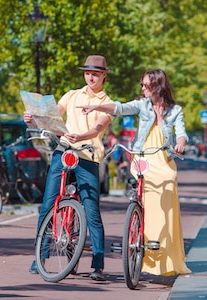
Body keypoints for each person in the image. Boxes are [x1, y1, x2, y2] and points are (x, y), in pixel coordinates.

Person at [78, 69, 191, 276]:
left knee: (168, 183)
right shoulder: (142, 105)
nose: (142, 89)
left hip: (163, 158)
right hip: (141, 156)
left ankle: (162, 256)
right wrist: (96, 105)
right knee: (141, 197)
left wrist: (181, 144)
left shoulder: (175, 110)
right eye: (142, 85)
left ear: (158, 86)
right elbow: (120, 108)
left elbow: (181, 133)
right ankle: (136, 227)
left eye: (146, 85)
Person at [24, 55, 113, 281]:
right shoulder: (72, 95)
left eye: (95, 73)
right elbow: (53, 116)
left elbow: (98, 127)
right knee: (48, 204)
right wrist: (33, 119)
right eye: (87, 72)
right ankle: (40, 257)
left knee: (91, 210)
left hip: (87, 155)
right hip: (63, 150)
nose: (90, 77)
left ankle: (98, 265)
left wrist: (81, 135)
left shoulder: (107, 102)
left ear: (104, 75)